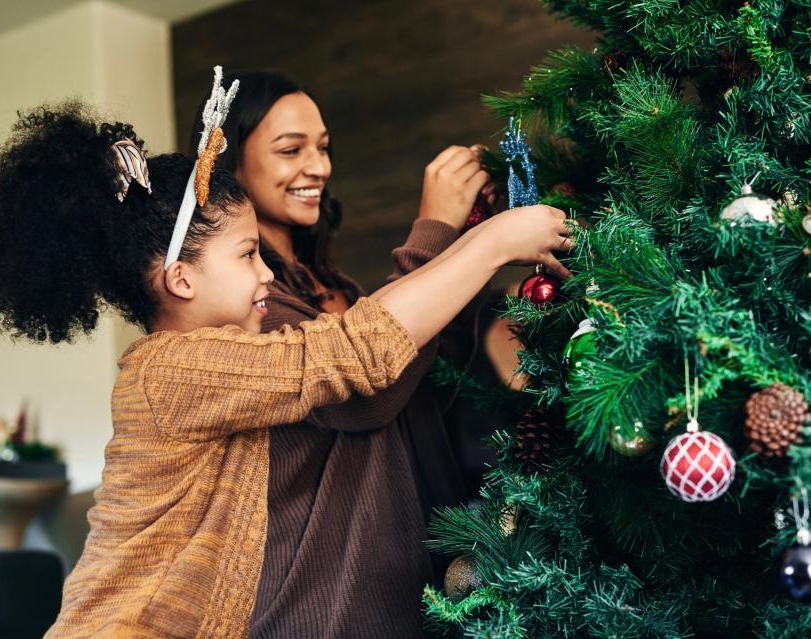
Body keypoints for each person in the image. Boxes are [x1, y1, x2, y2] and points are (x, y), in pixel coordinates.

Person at [0, 95, 573, 637]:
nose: (263, 272)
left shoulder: (226, 358)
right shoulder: (171, 370)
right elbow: (351, 351)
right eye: (249, 254)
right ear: (181, 278)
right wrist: (493, 243)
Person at [195, 71, 550, 637]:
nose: (318, 167)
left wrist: (467, 242)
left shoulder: (340, 289)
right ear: (231, 166)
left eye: (324, 147)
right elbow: (365, 392)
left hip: (416, 590)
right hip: (325, 609)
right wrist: (435, 232)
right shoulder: (248, 309)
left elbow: (424, 384)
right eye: (291, 149)